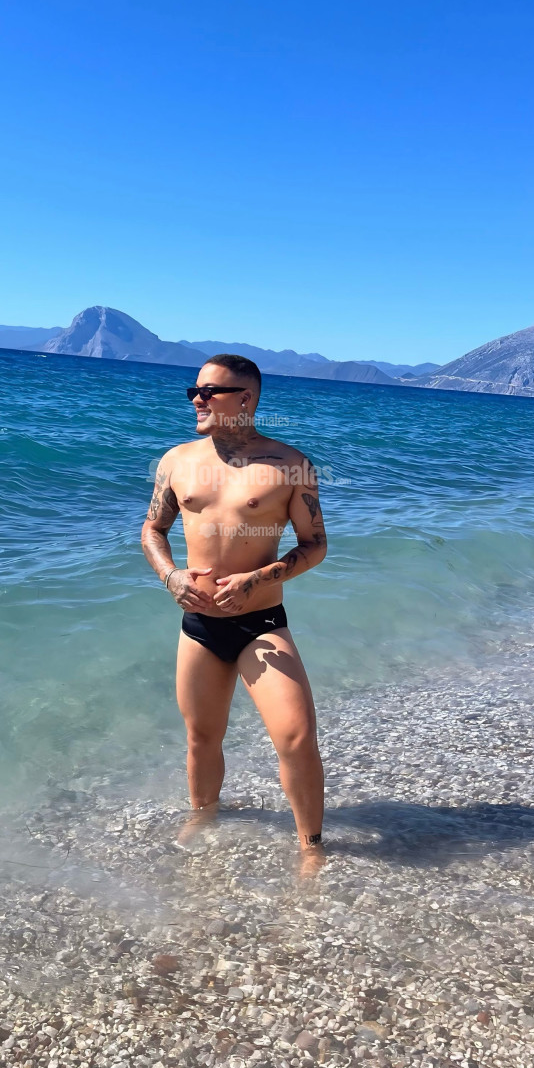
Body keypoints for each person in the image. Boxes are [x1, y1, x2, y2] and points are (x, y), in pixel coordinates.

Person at [141, 354, 328, 875]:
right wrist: (171, 577)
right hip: (199, 625)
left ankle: (311, 847)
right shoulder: (177, 460)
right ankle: (204, 815)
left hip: (260, 624)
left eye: (209, 391)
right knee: (202, 737)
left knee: (295, 738)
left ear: (245, 398)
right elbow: (153, 529)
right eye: (194, 391)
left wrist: (258, 578)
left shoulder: (289, 465)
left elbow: (314, 544)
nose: (196, 399)